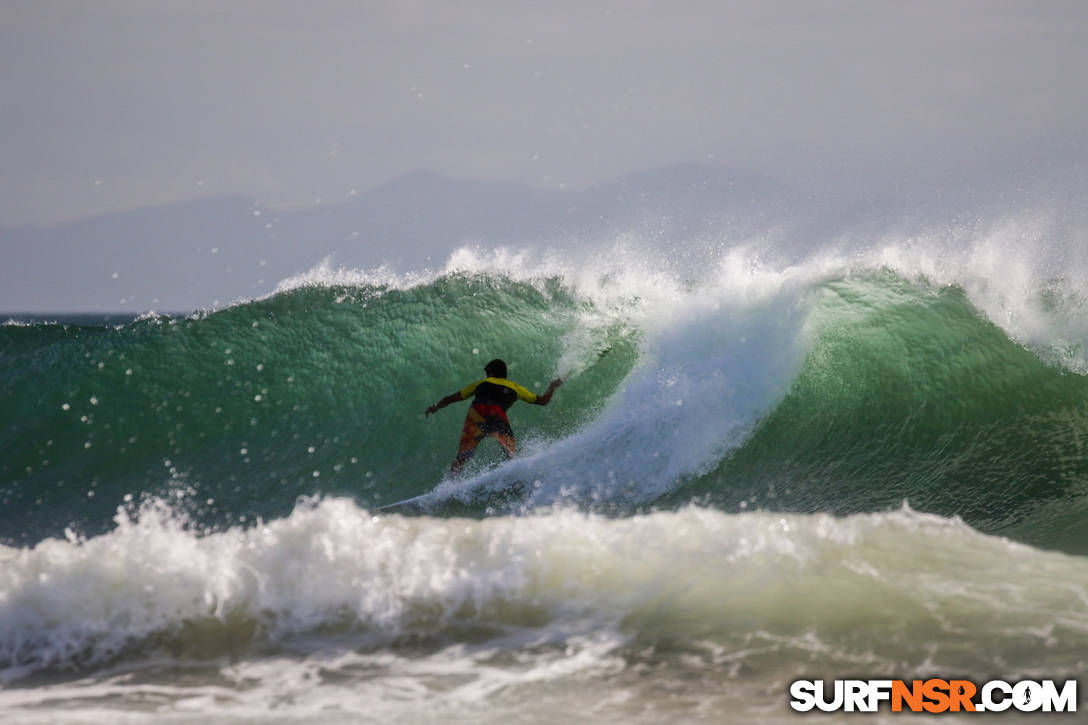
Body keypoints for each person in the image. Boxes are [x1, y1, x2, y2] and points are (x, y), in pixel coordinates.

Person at [425, 358, 562, 476]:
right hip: (496, 413)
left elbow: (450, 398)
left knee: (462, 457)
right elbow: (542, 401)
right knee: (511, 454)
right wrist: (552, 386)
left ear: (490, 373)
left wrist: (435, 407)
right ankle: (514, 478)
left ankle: (451, 486)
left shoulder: (480, 383)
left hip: (476, 412)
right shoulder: (516, 387)